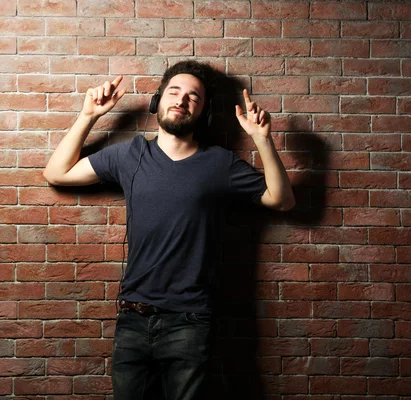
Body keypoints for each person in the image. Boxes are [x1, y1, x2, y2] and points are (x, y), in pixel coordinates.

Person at [43, 60, 295, 400]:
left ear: (204, 113)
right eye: (174, 92)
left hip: (189, 322)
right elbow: (56, 173)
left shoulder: (220, 163)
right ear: (157, 101)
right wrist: (89, 116)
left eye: (194, 96)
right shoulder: (130, 155)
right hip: (133, 317)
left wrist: (262, 140)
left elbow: (281, 200)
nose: (182, 100)